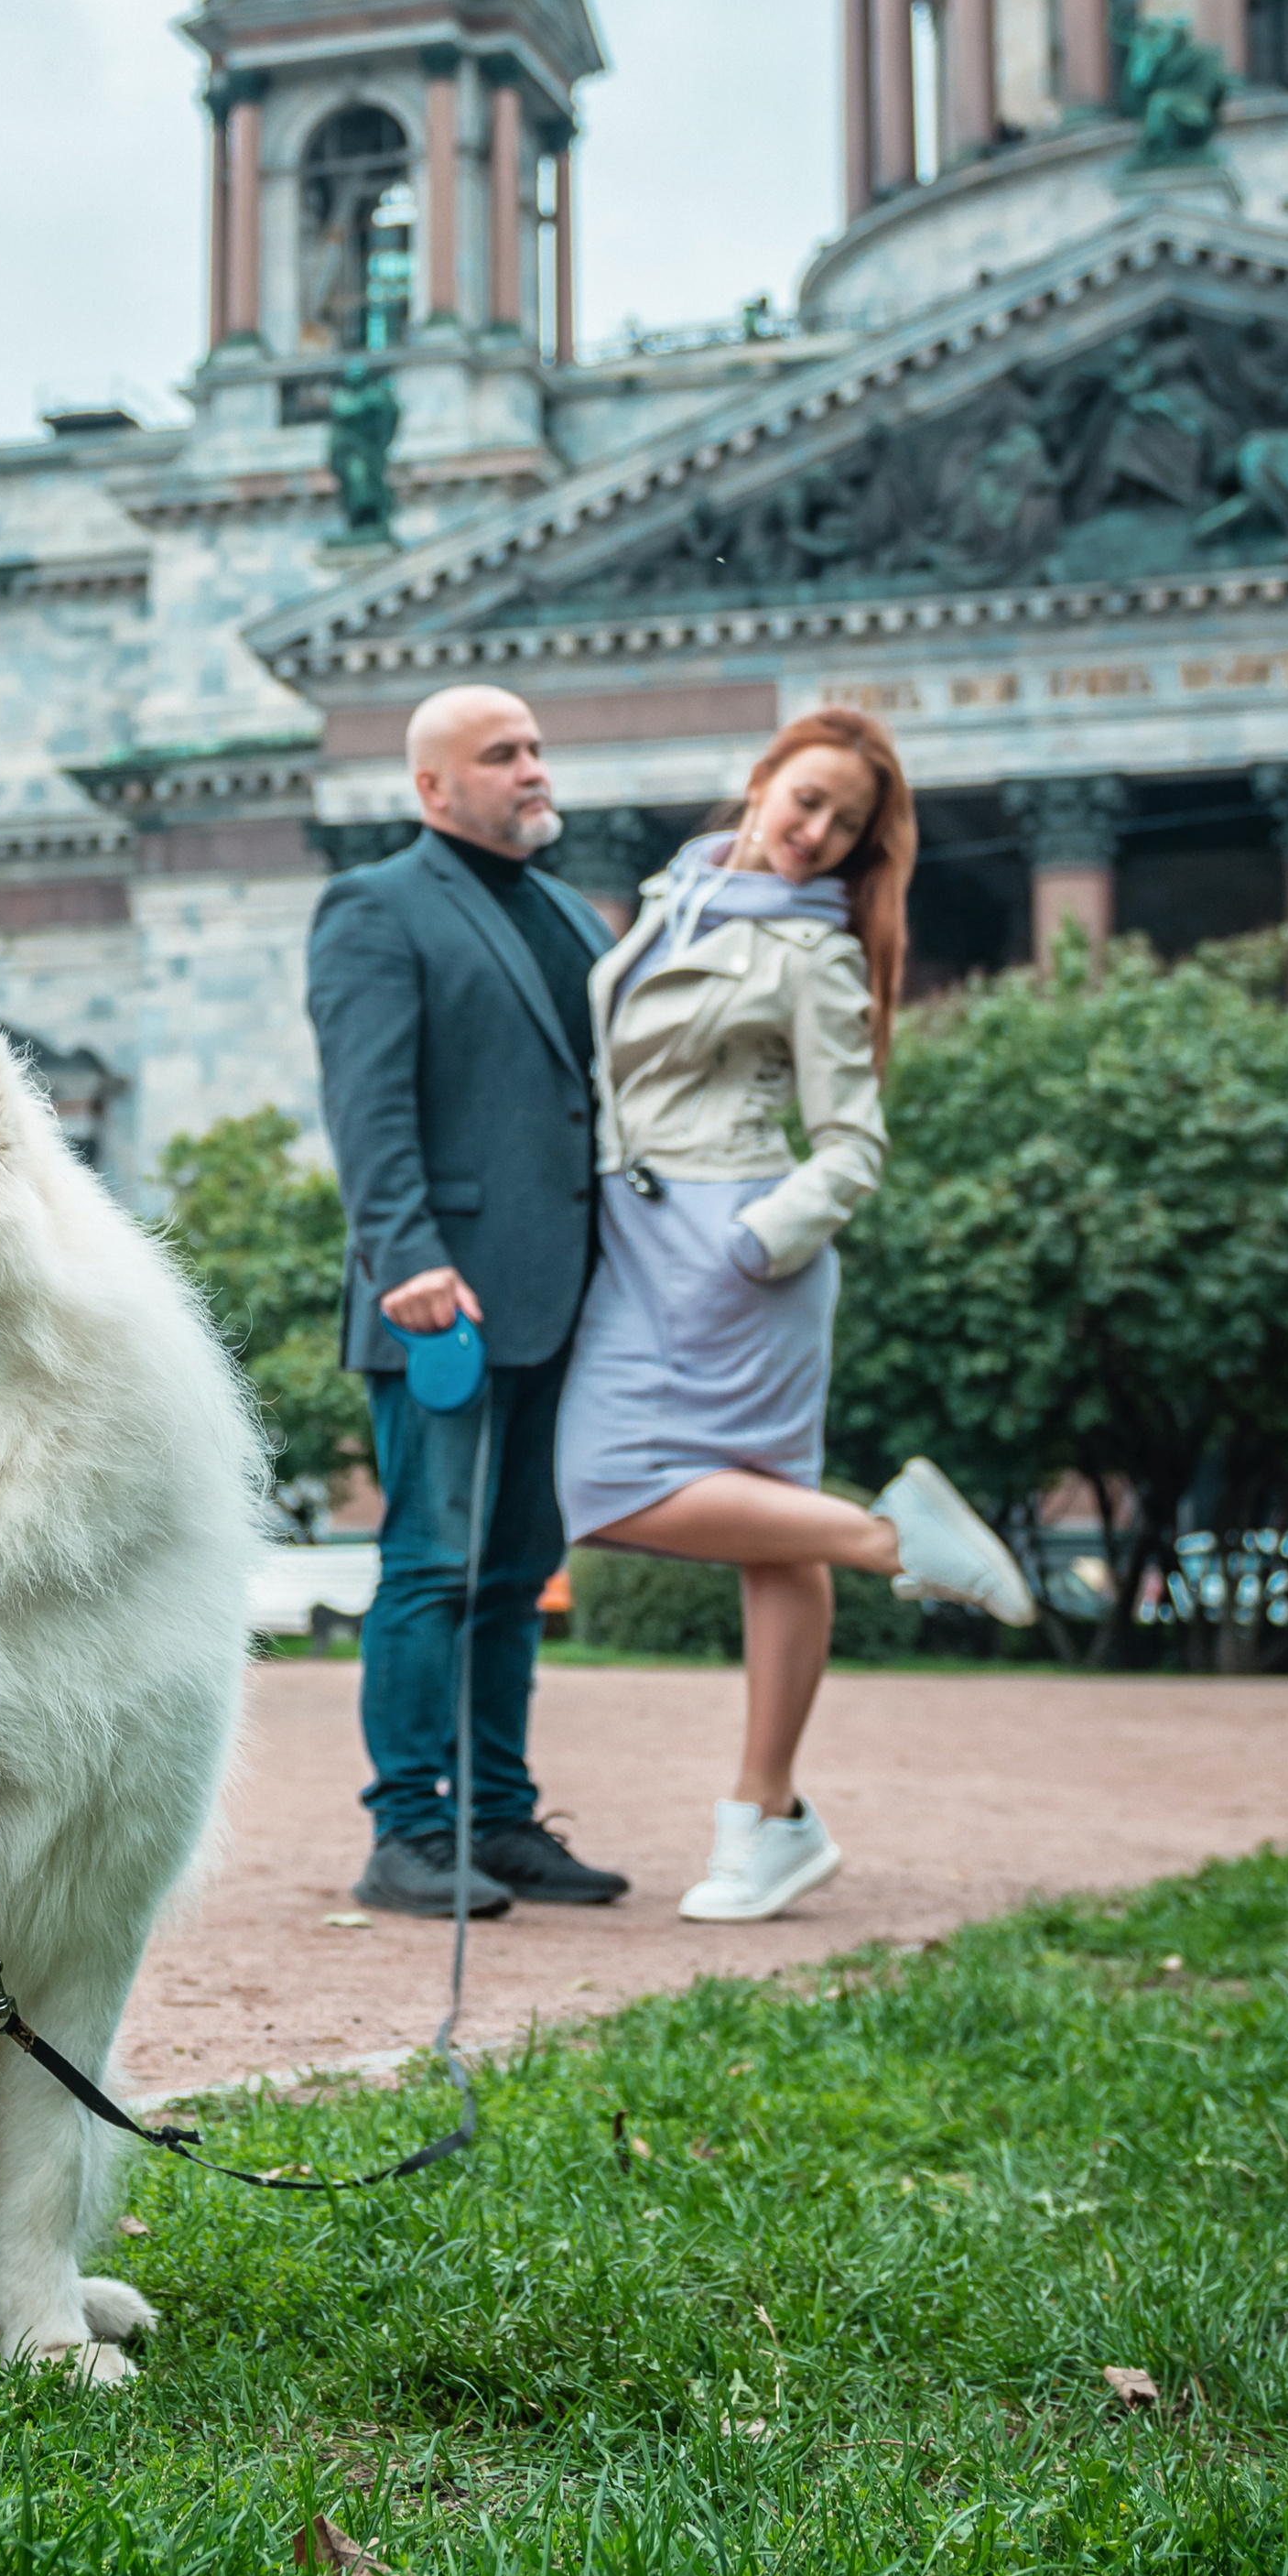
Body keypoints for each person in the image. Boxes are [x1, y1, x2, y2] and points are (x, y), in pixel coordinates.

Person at [556, 707, 1036, 1929]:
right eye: (805, 799)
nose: (816, 833)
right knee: (772, 1535)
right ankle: (767, 1822)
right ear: (762, 781)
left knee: (600, 1485)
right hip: (650, 1235)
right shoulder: (687, 892)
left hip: (728, 1248)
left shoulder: (814, 952)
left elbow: (853, 1147)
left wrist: (749, 1244)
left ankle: (888, 1546)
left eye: (846, 824)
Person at [307, 684, 631, 1920]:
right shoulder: (375, 907)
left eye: (539, 747)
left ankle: (497, 1820)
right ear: (434, 787)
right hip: (440, 1298)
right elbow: (368, 1103)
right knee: (432, 1565)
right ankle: (406, 1832)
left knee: (517, 1569)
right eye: (503, 754)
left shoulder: (566, 912)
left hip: (569, 1298)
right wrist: (405, 1257)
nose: (533, 770)